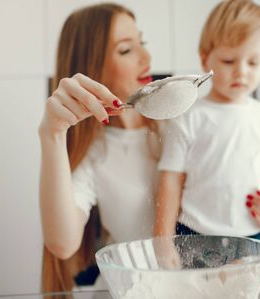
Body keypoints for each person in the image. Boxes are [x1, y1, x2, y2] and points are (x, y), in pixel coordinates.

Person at [154, 0, 260, 261]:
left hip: (252, 237)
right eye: (228, 60)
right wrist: (163, 240)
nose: (241, 72)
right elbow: (170, 182)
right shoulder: (190, 117)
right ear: (205, 59)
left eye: (253, 62)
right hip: (194, 235)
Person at [38, 3, 161, 291]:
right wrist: (51, 134)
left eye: (141, 43)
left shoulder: (179, 125)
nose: (147, 57)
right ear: (93, 67)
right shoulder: (96, 152)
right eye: (126, 50)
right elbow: (63, 243)